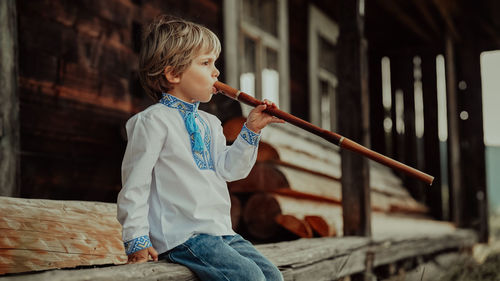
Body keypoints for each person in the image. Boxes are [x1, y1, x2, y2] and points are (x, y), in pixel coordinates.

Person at [117, 16, 285, 281]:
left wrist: (250, 130)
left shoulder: (211, 122)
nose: (216, 72)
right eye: (206, 63)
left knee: (272, 276)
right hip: (182, 236)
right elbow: (135, 185)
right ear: (173, 74)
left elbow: (231, 170)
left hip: (221, 232)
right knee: (250, 278)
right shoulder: (152, 121)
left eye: (214, 63)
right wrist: (136, 239)